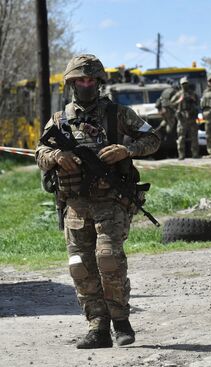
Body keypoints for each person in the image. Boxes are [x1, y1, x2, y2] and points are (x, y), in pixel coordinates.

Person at [35, 54, 160, 348]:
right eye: (80, 80)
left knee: (109, 259)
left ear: (99, 82)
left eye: (91, 80)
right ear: (72, 83)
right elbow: (39, 152)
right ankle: (97, 327)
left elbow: (152, 139)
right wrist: (55, 156)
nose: (86, 84)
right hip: (76, 205)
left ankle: (121, 322)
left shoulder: (118, 114)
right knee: (80, 266)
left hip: (111, 202)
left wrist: (125, 150)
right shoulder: (59, 120)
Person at [171, 77, 200, 159]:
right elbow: (171, 104)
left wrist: (193, 99)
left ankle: (195, 154)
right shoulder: (178, 94)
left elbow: (198, 102)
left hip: (192, 117)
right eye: (183, 84)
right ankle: (181, 155)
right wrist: (179, 101)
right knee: (181, 137)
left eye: (186, 84)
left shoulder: (192, 94)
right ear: (181, 85)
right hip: (182, 118)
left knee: (194, 136)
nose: (185, 86)